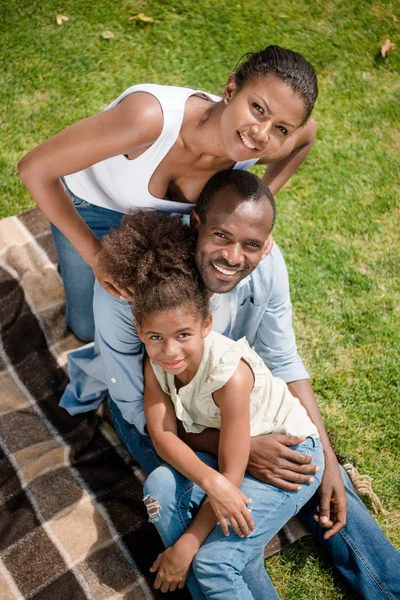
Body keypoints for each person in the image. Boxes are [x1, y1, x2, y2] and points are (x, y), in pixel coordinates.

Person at [61, 170, 400, 599]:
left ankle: (388, 588)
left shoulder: (265, 266)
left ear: (266, 245)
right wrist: (228, 448)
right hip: (161, 415)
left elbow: (283, 361)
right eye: (222, 236)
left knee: (308, 467)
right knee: (200, 512)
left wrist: (329, 461)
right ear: (197, 226)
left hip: (238, 401)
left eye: (252, 245)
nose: (234, 256)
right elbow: (137, 409)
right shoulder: (132, 290)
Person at [17, 45, 318, 342]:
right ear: (231, 87)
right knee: (88, 329)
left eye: (281, 128)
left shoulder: (256, 146)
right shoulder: (148, 119)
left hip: (170, 223)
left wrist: (260, 204)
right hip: (92, 210)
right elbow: (34, 169)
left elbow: (308, 133)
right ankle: (68, 248)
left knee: (167, 324)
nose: (262, 134)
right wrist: (93, 255)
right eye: (257, 109)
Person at [97, 208, 325, 598]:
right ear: (140, 331)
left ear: (206, 324)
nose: (169, 351)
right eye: (155, 337)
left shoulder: (230, 376)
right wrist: (212, 482)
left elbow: (232, 473)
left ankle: (212, 566)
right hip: (227, 456)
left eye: (183, 334)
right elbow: (164, 435)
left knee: (211, 560)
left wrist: (186, 545)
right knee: (160, 489)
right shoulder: (156, 364)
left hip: (290, 453)